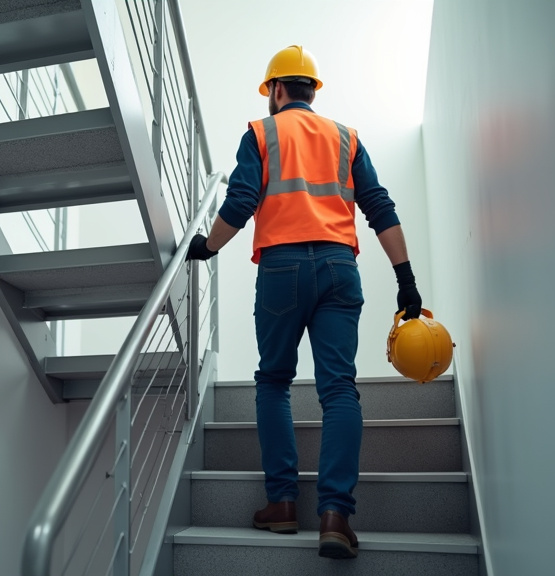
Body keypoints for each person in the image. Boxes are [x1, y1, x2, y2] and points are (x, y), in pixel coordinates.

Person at [186, 45, 423, 560]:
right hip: (340, 269)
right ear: (312, 90)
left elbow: (242, 199)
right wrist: (406, 279)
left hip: (282, 271)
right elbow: (379, 205)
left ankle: (284, 504)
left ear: (275, 89)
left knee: (274, 380)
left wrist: (207, 247)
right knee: (339, 389)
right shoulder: (347, 138)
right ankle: (336, 515)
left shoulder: (261, 132)